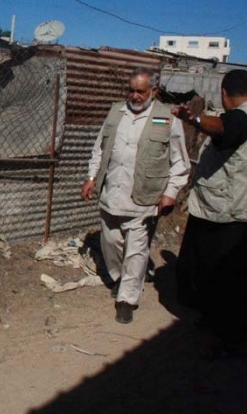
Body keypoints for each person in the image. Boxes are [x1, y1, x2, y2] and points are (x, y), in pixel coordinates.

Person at [171, 69, 247, 354]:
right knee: (235, 277)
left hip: (234, 216)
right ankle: (218, 323)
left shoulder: (240, 118)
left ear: (224, 93)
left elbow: (221, 127)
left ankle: (228, 340)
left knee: (229, 280)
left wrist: (193, 118)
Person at [81, 67, 190, 324]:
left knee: (136, 251)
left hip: (144, 199)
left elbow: (180, 162)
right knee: (110, 243)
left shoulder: (167, 118)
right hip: (111, 195)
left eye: (140, 91)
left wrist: (171, 192)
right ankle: (120, 278)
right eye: (131, 90)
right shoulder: (116, 112)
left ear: (154, 91)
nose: (134, 96)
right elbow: (99, 148)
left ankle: (127, 299)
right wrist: (91, 177)